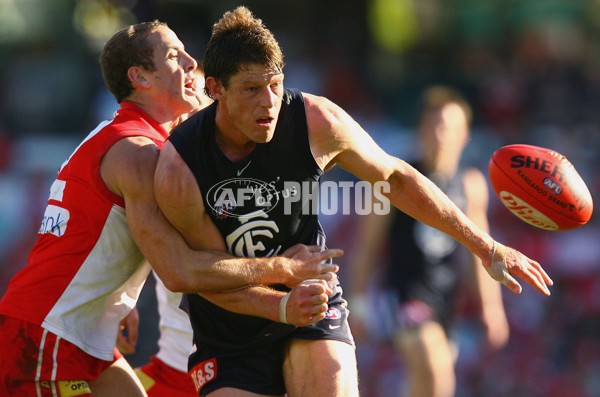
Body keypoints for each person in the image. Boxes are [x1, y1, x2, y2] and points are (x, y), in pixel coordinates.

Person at [153, 6, 553, 397]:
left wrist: (487, 246)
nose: (269, 102)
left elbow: (396, 180)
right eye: (252, 90)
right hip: (230, 330)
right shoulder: (181, 167)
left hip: (313, 302)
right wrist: (281, 293)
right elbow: (199, 277)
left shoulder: (316, 121)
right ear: (216, 88)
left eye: (275, 85)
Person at [0, 21, 342, 397]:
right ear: (140, 76)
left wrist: (116, 299)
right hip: (46, 339)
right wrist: (283, 270)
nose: (191, 62)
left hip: (80, 336)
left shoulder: (132, 140)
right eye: (174, 56)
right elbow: (179, 269)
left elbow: (100, 235)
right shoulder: (139, 153)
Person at [348, 86, 509, 397]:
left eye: (448, 128)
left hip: (447, 299)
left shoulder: (470, 184)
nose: (439, 134)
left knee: (431, 385)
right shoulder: (395, 181)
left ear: (464, 136)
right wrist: (358, 301)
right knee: (434, 365)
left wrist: (491, 307)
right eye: (433, 125)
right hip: (402, 293)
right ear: (421, 130)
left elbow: (482, 252)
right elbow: (367, 246)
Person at [132, 64, 213, 397]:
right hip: (173, 373)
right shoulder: (150, 171)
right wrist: (119, 301)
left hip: (247, 376)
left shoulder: (266, 186)